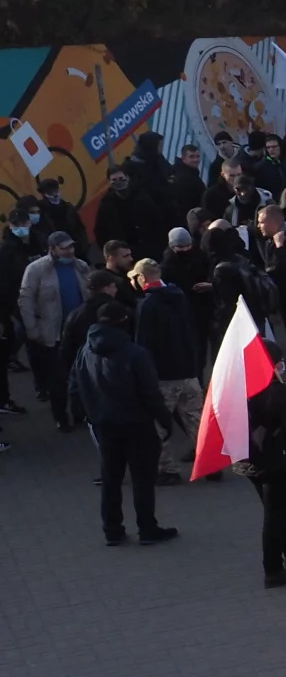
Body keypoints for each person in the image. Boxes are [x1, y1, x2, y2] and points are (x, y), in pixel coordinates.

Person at [68, 302, 177, 547]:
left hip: (103, 424)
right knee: (142, 479)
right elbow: (150, 393)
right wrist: (165, 421)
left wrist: (84, 414)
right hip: (137, 424)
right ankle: (147, 529)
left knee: (111, 478)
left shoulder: (85, 350)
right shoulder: (135, 353)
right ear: (123, 322)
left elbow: (74, 385)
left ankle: (112, 530)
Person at [129, 259, 201, 484]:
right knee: (196, 420)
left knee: (157, 427)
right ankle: (211, 463)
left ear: (142, 278)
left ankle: (167, 470)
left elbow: (143, 346)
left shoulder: (147, 306)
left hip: (163, 376)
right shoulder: (179, 297)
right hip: (188, 372)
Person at [17, 229, 91, 430]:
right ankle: (61, 417)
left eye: (71, 246)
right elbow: (26, 299)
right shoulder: (36, 270)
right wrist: (32, 329)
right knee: (58, 380)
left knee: (83, 376)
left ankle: (80, 414)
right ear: (52, 249)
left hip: (79, 332)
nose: (69, 251)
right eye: (64, 248)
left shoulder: (81, 266)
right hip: (53, 333)